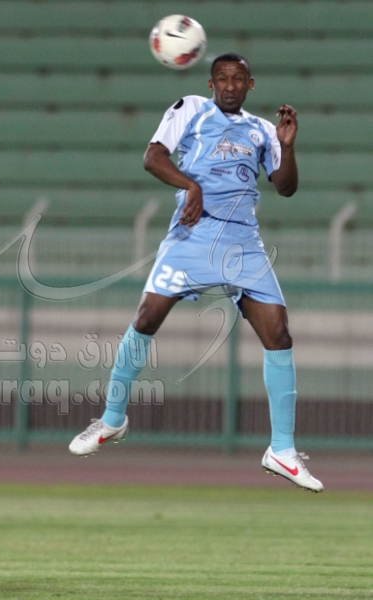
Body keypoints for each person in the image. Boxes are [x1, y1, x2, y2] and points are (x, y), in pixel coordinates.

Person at [69, 53, 323, 493]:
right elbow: (152, 157)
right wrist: (191, 185)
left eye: (238, 78)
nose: (230, 85)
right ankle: (112, 420)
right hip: (192, 234)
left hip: (242, 243)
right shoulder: (190, 109)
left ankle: (282, 450)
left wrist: (289, 147)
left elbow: (286, 188)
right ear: (211, 84)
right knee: (146, 318)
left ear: (250, 85)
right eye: (222, 78)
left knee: (279, 334)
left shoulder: (264, 130)